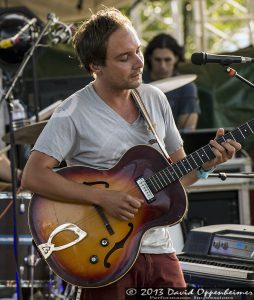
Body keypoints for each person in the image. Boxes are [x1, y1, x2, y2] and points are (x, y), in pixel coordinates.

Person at [21, 7, 241, 300]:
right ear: (95, 66)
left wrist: (207, 165)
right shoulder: (72, 112)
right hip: (104, 256)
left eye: (138, 51)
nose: (139, 62)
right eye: (124, 58)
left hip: (160, 248)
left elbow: (177, 179)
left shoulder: (154, 100)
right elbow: (33, 176)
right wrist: (101, 197)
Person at [143, 33, 200, 132]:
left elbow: (188, 130)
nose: (163, 66)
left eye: (167, 60)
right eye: (157, 60)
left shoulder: (186, 87)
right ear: (149, 58)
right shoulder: (137, 83)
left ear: (176, 58)